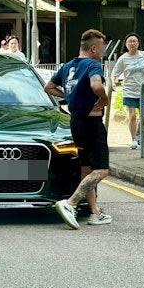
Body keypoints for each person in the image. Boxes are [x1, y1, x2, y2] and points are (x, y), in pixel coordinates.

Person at [45, 29, 112, 229]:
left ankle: (94, 212)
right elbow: (96, 85)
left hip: (76, 121)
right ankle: (70, 203)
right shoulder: (93, 64)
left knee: (86, 168)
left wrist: (70, 96)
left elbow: (48, 87)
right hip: (92, 122)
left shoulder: (67, 66)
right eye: (102, 47)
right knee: (101, 170)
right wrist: (104, 99)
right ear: (93, 48)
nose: (103, 51)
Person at [111, 33, 144, 149]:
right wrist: (113, 82)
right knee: (132, 116)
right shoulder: (123, 58)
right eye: (130, 41)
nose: (132, 43)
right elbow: (114, 73)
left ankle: (139, 136)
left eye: (134, 41)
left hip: (143, 90)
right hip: (129, 90)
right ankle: (134, 139)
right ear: (126, 44)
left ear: (138, 43)